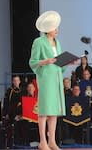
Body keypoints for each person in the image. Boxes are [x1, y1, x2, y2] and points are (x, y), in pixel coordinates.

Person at [29, 11, 66, 150]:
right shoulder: (39, 42)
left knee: (53, 111)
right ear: (48, 28)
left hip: (56, 78)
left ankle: (52, 141)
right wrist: (45, 61)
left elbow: (59, 62)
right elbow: (33, 61)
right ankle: (42, 142)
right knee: (44, 110)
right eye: (55, 27)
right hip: (45, 78)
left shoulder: (58, 42)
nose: (57, 30)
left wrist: (66, 63)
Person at [2, 75, 23, 147]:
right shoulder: (9, 91)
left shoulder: (23, 90)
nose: (16, 82)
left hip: (22, 113)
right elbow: (6, 103)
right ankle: (11, 144)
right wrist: (6, 113)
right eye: (14, 80)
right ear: (12, 82)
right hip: (11, 113)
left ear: (20, 81)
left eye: (17, 80)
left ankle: (21, 142)